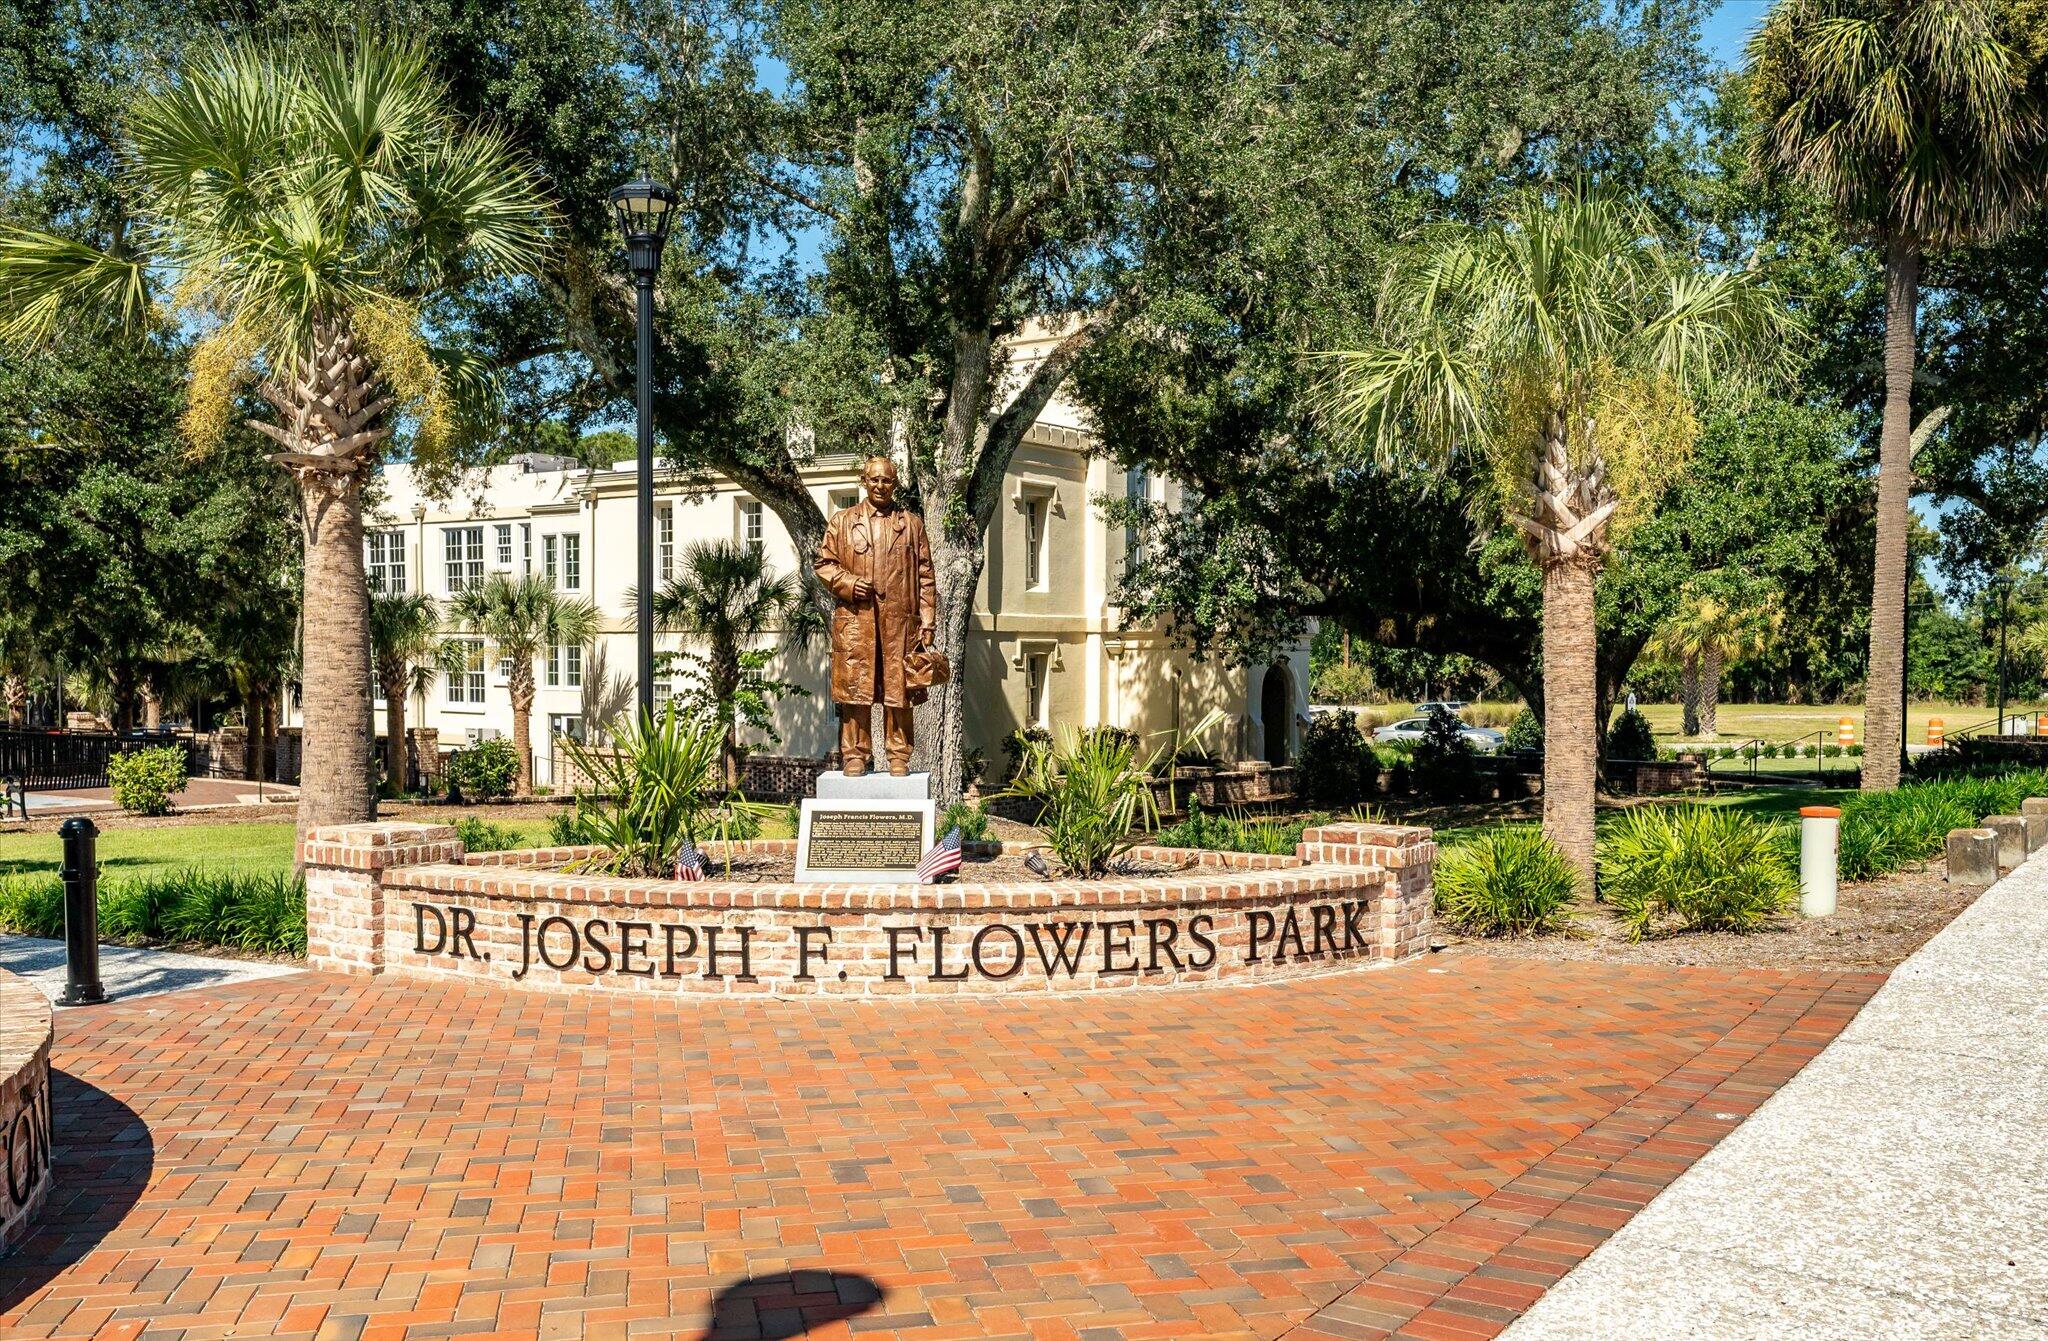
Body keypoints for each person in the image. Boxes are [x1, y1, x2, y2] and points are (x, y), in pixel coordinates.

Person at [814, 456, 938, 777]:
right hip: (857, 621)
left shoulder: (911, 524)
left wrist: (928, 620)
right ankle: (855, 754)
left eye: (886, 480)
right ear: (864, 481)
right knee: (856, 690)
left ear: (894, 484)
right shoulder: (842, 521)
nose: (880, 486)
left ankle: (898, 755)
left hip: (900, 623)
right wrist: (849, 583)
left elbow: (925, 576)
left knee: (899, 690)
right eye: (874, 480)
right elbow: (824, 564)